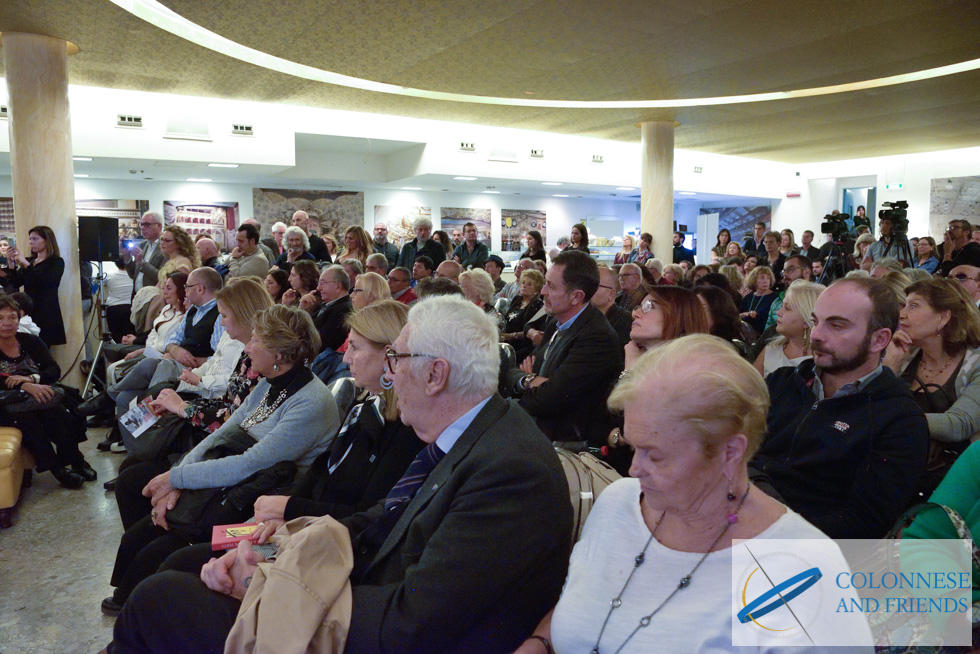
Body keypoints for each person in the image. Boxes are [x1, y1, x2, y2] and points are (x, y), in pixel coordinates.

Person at [109, 295, 572, 654]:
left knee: (160, 596)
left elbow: (413, 622)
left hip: (371, 631)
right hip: (359, 596)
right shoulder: (469, 436)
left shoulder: (510, 470)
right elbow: (379, 520)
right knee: (181, 572)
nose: (389, 372)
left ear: (435, 374)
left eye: (397, 359)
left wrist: (270, 585)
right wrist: (278, 555)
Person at [517, 334, 872, 654]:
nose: (634, 468)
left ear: (730, 452)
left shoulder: (800, 569)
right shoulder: (619, 502)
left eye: (655, 454)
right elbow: (581, 603)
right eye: (633, 446)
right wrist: (541, 642)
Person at [101, 304, 338, 615]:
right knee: (139, 532)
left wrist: (177, 480)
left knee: (159, 555)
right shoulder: (270, 382)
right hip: (231, 487)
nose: (247, 346)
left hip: (259, 508)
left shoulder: (311, 402)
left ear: (280, 354)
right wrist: (177, 477)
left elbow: (251, 464)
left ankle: (140, 609)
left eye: (256, 340)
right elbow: (224, 433)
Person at [751, 277, 929, 538]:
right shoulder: (781, 383)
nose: (816, 335)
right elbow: (731, 452)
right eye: (815, 321)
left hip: (806, 555)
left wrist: (770, 523)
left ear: (879, 340)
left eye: (836, 325)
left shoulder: (899, 419)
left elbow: (861, 523)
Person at [506, 250, 623, 447]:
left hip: (562, 440)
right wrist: (529, 380)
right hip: (537, 427)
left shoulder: (596, 337)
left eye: (550, 286)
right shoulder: (555, 323)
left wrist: (528, 382)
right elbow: (513, 372)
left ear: (576, 297)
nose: (542, 291)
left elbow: (550, 400)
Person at [882, 277, 980, 499]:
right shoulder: (902, 355)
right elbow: (867, 407)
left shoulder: (975, 363)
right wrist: (889, 368)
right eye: (905, 305)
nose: (902, 314)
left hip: (948, 484)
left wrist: (890, 419)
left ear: (943, 317)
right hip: (892, 467)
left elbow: (957, 425)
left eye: (914, 306)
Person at [0, 295, 95, 488]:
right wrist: (23, 386)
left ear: (19, 319)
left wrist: (31, 379)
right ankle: (58, 469)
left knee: (54, 410)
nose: (7, 323)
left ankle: (76, 460)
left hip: (35, 398)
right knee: (29, 419)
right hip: (6, 405)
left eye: (12, 318)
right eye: (0, 318)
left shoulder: (30, 341)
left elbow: (53, 370)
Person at [3, 226, 67, 347]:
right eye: (30, 239)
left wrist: (25, 263)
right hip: (30, 310)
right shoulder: (31, 261)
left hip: (46, 311)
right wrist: (11, 263)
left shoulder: (56, 262)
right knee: (28, 348)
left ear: (47, 240)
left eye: (35, 239)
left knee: (43, 350)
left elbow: (45, 281)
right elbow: (16, 282)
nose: (30, 242)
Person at [625, 286, 710, 372]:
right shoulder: (637, 354)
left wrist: (631, 369)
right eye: (638, 307)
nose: (635, 314)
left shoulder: (690, 370)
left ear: (678, 315)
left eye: (649, 306)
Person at [754, 281, 825, 377]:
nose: (778, 312)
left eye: (787, 308)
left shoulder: (822, 360)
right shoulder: (773, 347)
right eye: (781, 306)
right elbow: (749, 387)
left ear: (807, 320)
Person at [306, 265, 353, 352]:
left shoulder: (344, 310)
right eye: (319, 283)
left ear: (338, 286)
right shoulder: (324, 305)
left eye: (323, 283)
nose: (318, 288)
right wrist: (303, 309)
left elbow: (322, 342)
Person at [122, 211, 168, 291]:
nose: (143, 228)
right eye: (142, 224)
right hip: (138, 296)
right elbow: (133, 275)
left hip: (154, 297)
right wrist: (127, 257)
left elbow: (162, 277)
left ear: (159, 226)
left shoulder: (165, 247)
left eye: (147, 225)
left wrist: (141, 262)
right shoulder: (142, 245)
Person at [591, 265, 632, 347]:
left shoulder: (624, 321)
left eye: (595, 285)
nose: (588, 289)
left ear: (611, 294)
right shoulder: (586, 315)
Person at [739, 265, 778, 336]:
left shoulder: (775, 297)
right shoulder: (748, 297)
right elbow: (737, 315)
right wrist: (744, 314)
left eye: (768, 278)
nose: (765, 281)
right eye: (762, 278)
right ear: (754, 280)